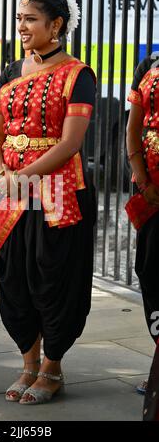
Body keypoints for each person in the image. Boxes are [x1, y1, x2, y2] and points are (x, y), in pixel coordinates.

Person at [0, 0, 96, 405]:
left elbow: (70, 143)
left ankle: (52, 366)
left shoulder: (78, 74)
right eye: (20, 17)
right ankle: (27, 361)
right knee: (14, 277)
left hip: (60, 191)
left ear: (57, 25)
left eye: (30, 18)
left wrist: (24, 175)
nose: (22, 26)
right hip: (13, 189)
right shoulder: (10, 70)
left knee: (55, 277)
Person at [126, 51, 159, 395]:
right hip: (151, 195)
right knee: (150, 272)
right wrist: (143, 181)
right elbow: (134, 127)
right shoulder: (150, 63)